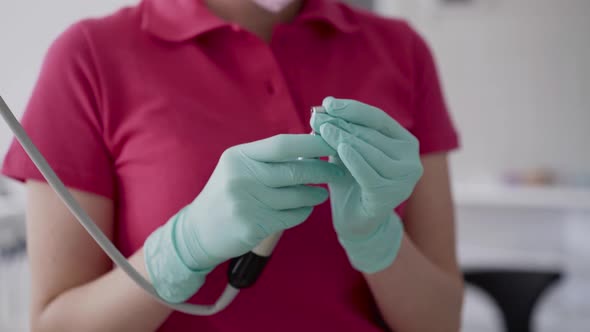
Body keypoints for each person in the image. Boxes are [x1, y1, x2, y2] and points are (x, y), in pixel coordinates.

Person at [1, 0, 464, 330]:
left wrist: (379, 241)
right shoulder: (89, 57)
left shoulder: (400, 51)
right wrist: (180, 251)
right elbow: (53, 324)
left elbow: (442, 321)